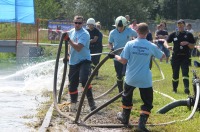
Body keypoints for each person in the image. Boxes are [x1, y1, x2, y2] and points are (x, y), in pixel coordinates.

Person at [108, 23, 165, 131]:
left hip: (131, 78)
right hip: (145, 79)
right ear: (148, 32)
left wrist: (114, 56)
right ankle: (141, 124)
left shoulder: (130, 44)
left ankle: (125, 118)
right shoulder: (151, 45)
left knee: (127, 98)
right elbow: (162, 56)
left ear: (137, 31)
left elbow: (123, 61)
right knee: (147, 102)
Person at [64, 15, 96, 111]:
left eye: (79, 23)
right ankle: (73, 103)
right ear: (73, 22)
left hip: (84, 60)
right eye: (75, 22)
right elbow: (70, 45)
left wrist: (68, 39)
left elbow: (78, 48)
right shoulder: (71, 32)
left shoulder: (85, 34)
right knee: (72, 84)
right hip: (73, 61)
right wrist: (68, 55)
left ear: (83, 23)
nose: (77, 24)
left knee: (84, 80)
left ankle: (91, 103)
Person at [164, 19, 195, 94]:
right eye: (178, 25)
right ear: (177, 26)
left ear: (184, 25)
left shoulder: (189, 34)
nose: (180, 26)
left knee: (185, 73)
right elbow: (166, 41)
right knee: (175, 74)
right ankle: (174, 89)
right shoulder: (174, 34)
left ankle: (186, 88)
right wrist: (168, 46)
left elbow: (193, 46)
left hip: (185, 57)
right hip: (175, 57)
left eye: (181, 25)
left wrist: (187, 43)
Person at [108, 16, 137, 93]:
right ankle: (120, 91)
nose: (120, 28)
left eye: (121, 27)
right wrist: (111, 49)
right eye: (118, 27)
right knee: (119, 75)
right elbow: (110, 43)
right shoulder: (112, 33)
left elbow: (138, 36)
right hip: (117, 56)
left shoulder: (130, 31)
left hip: (128, 56)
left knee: (126, 73)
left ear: (125, 25)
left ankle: (127, 91)